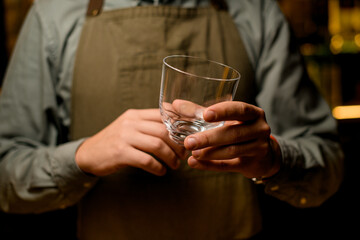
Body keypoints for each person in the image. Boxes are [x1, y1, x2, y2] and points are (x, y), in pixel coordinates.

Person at [0, 0, 344, 239]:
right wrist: (80, 158)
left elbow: (328, 167)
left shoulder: (257, 12)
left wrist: (273, 159)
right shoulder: (52, 15)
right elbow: (5, 178)